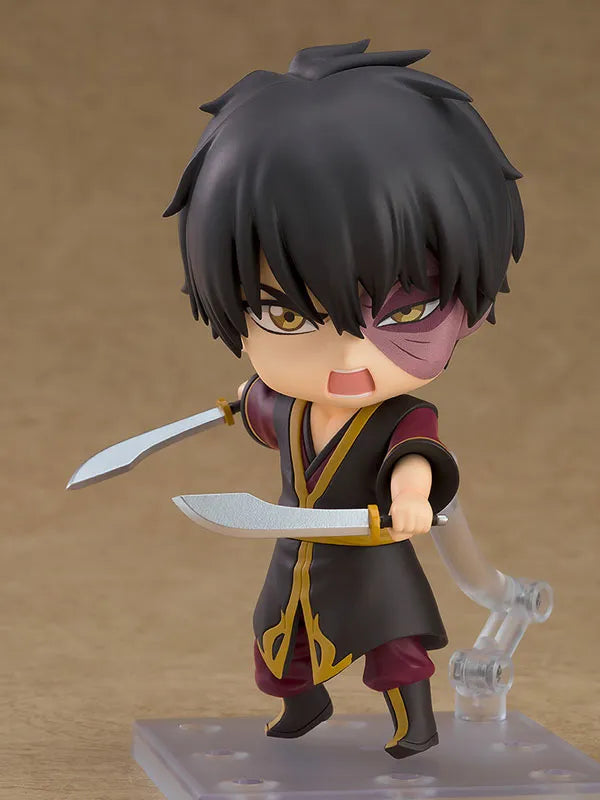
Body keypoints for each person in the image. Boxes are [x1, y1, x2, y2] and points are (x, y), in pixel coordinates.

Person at [164, 40, 524, 759]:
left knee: (394, 650)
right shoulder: (289, 407)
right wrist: (237, 404)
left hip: (372, 553)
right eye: (287, 315)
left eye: (405, 313)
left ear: (469, 303)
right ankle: (303, 704)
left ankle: (414, 723)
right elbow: (259, 407)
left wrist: (411, 496)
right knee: (277, 645)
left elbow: (416, 455)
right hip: (299, 556)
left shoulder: (403, 416)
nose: (351, 359)